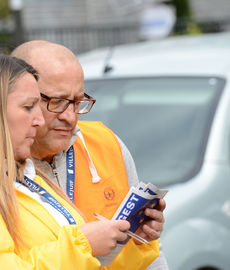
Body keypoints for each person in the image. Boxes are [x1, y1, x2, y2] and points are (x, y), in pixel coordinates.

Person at [0, 51, 159, 269]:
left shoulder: (30, 177)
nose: (38, 119)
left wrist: (134, 240)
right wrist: (83, 245)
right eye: (29, 107)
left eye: (77, 102)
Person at [12, 40, 169, 269]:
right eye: (57, 102)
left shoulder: (106, 144)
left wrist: (143, 236)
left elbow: (151, 257)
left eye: (78, 101)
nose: (71, 117)